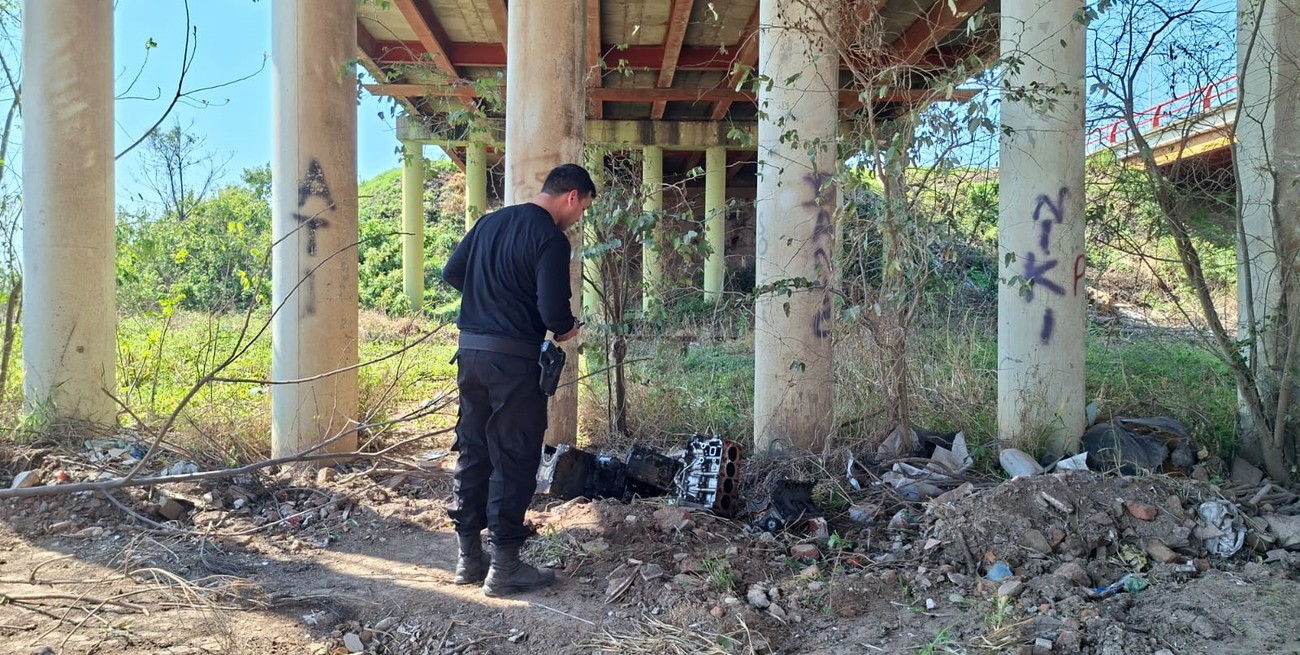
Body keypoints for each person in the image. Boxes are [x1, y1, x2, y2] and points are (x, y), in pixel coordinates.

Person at [441, 163, 595, 597]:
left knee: (473, 448)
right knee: (514, 454)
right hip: (512, 361)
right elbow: (553, 315)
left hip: (470, 353)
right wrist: (566, 328)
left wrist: (490, 303)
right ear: (572, 196)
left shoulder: (488, 223)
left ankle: (469, 558)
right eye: (582, 207)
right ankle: (505, 565)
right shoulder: (549, 238)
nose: (578, 216)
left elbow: (453, 273)